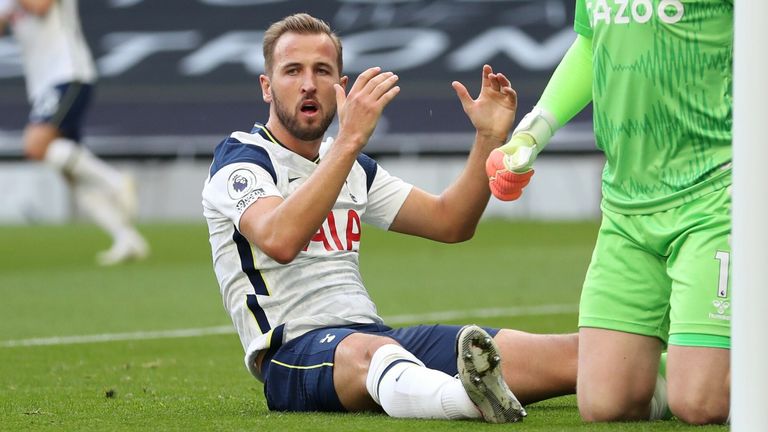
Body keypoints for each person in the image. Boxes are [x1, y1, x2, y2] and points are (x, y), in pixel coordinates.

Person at [202, 13, 578, 422]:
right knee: (375, 354)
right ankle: (462, 399)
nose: (308, 83)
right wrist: (348, 140)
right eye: (292, 71)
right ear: (266, 86)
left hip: (375, 337)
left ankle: (648, 388)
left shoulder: (352, 165)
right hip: (293, 353)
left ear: (340, 87)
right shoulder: (241, 159)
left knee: (568, 353)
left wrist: (488, 138)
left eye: (322, 71)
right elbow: (280, 238)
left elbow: (451, 222)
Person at [486, 0, 732, 425]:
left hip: (717, 195)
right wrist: (530, 134)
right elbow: (589, 44)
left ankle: (706, 367)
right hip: (625, 209)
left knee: (702, 403)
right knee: (606, 404)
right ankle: (697, 361)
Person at [0, 0, 148, 265]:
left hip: (67, 73)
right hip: (42, 84)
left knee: (36, 147)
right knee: (68, 170)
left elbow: (41, 6)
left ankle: (116, 182)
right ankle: (126, 238)